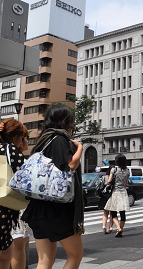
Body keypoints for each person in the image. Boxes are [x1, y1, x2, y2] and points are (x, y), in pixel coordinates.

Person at [21, 104, 84, 269]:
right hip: (56, 209)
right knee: (75, 255)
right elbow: (70, 165)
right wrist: (80, 149)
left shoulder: (42, 140)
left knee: (44, 260)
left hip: (37, 208)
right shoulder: (60, 139)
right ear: (66, 121)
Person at [0, 120, 29, 269]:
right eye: (22, 137)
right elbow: (23, 178)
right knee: (8, 252)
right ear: (16, 136)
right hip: (4, 208)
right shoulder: (10, 149)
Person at [104, 154, 130, 237]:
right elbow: (126, 184)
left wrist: (106, 183)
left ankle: (118, 228)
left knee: (113, 212)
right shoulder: (127, 171)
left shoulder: (114, 169)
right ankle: (121, 229)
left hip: (115, 192)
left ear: (117, 161)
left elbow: (109, 181)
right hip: (123, 193)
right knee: (123, 213)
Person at [99, 168, 114, 234]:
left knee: (105, 213)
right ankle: (110, 227)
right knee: (112, 213)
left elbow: (99, 185)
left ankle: (104, 226)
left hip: (104, 197)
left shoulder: (103, 177)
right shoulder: (114, 178)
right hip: (112, 196)